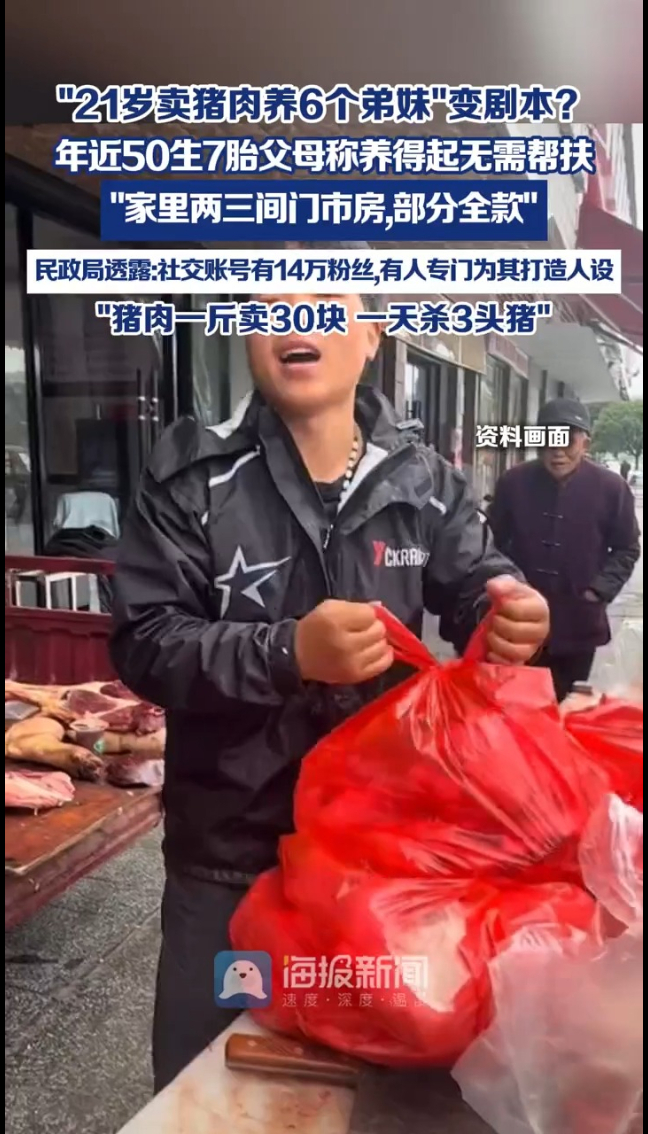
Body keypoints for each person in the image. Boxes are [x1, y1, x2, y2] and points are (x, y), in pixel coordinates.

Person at [110, 269, 550, 1092]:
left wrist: (512, 608)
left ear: (371, 335)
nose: (292, 320)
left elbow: (478, 583)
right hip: (230, 858)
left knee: (362, 1086)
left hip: (382, 857)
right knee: (211, 1087)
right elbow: (145, 641)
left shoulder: (425, 481)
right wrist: (287, 653)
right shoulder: (189, 475)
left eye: (320, 301)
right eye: (268, 305)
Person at [488, 397, 640, 703]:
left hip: (578, 623)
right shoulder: (513, 483)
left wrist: (597, 591)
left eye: (567, 440)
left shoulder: (612, 489)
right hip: (520, 621)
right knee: (515, 706)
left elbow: (627, 548)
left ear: (586, 443)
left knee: (564, 705)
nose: (557, 451)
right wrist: (505, 587)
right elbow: (489, 544)